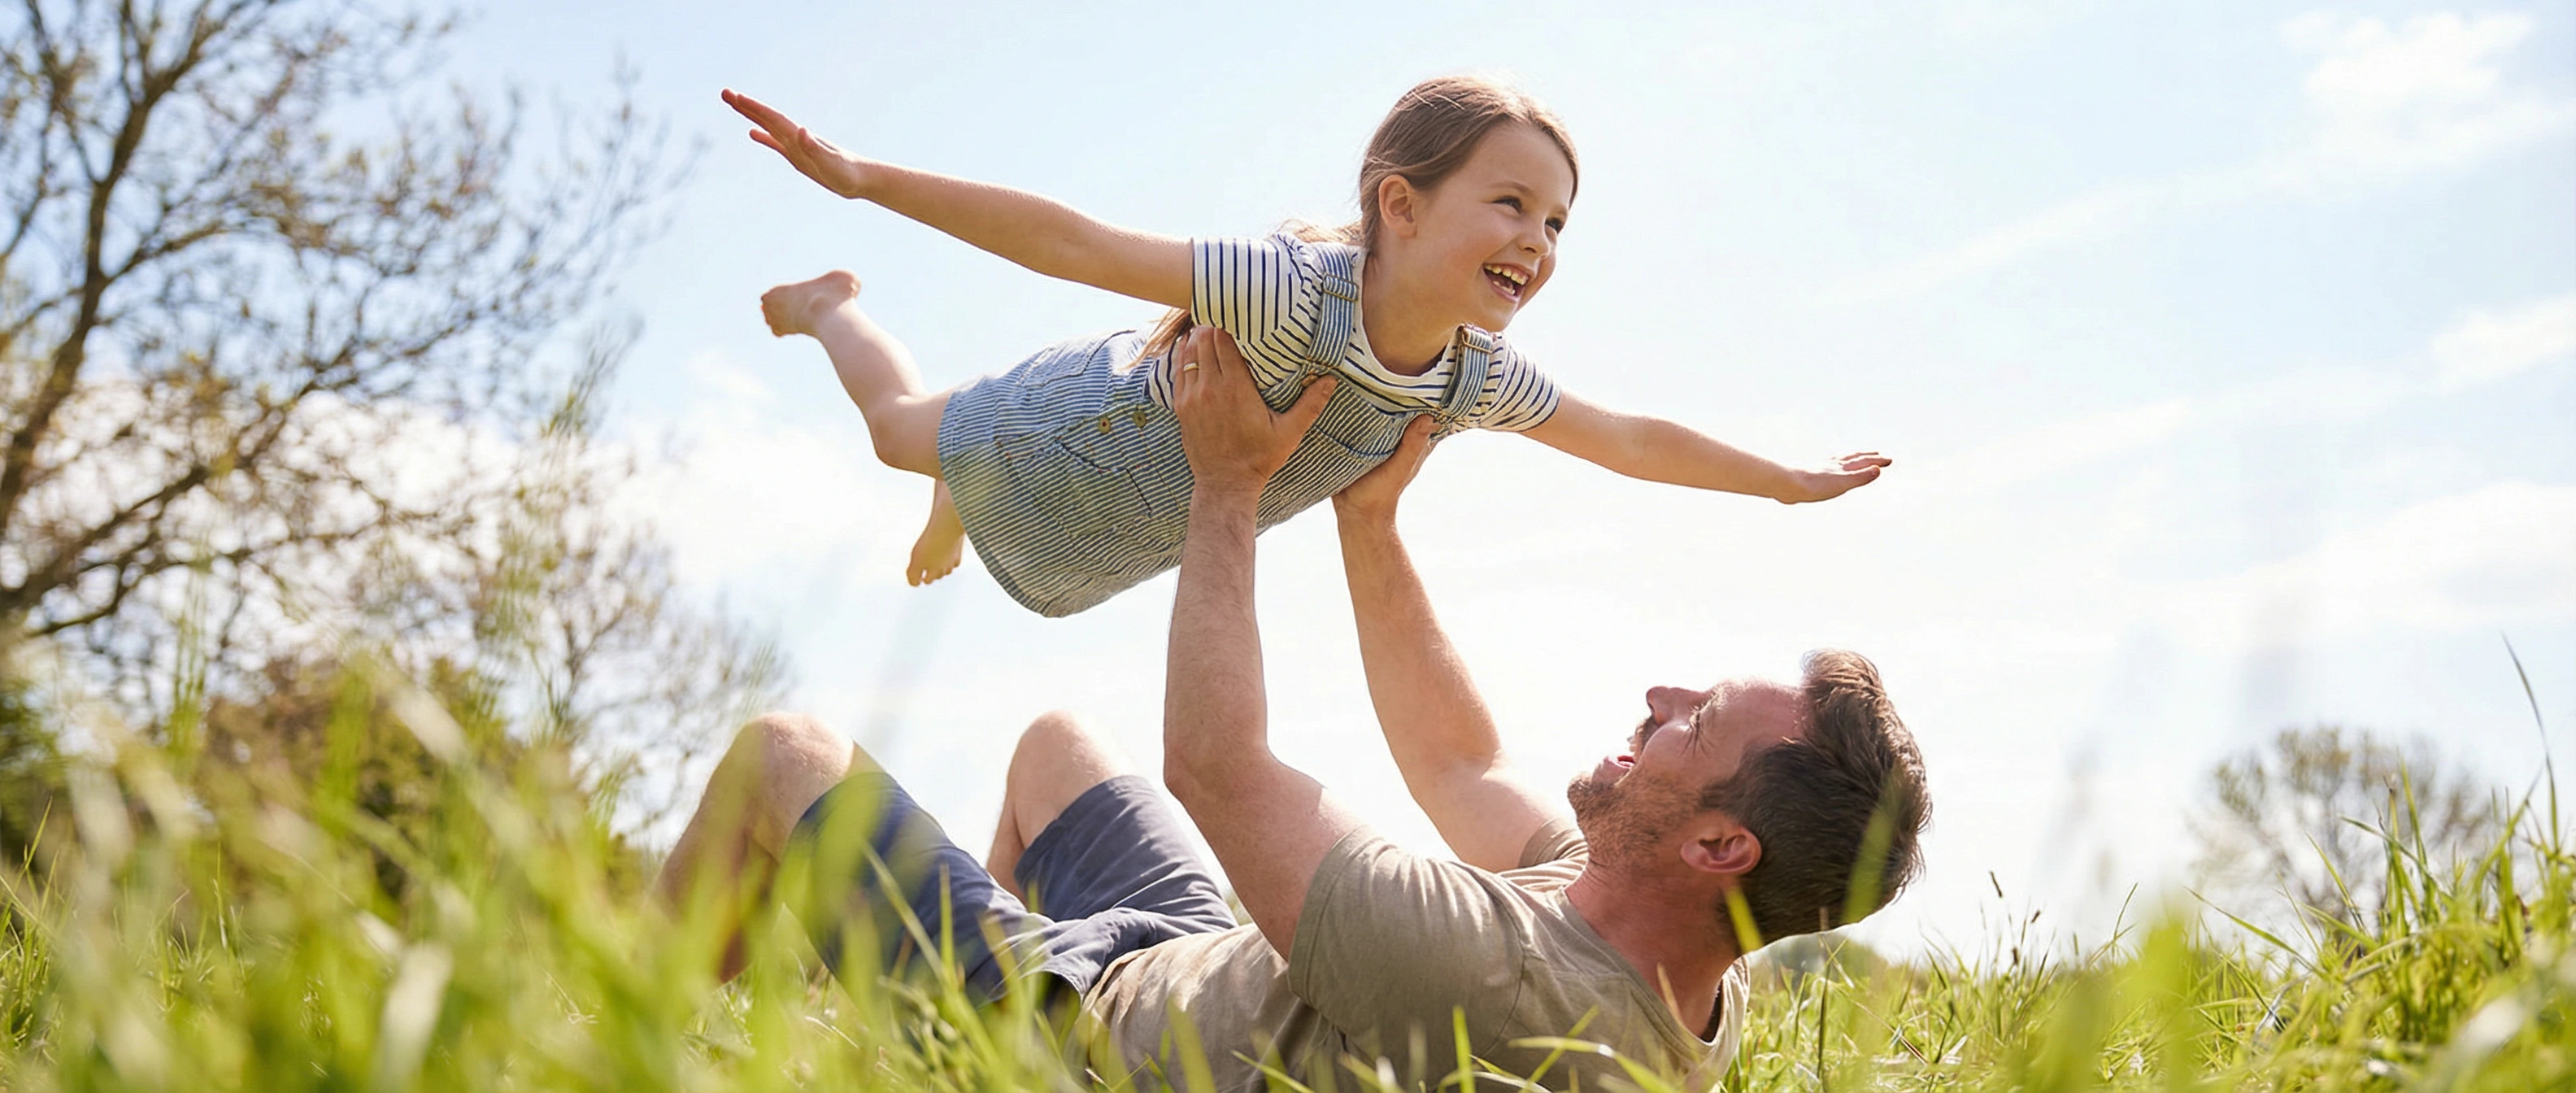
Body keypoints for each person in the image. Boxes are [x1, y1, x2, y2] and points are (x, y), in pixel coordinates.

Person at [655, 329, 1931, 1091]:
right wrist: (1370, 520)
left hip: (1090, 1040)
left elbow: (1217, 767)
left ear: (1722, 846)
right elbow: (1459, 757)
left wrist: (1228, 487)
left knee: (784, 753)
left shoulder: (1501, 988)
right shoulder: (1680, 963)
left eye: (1694, 722)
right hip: (1186, 964)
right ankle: (931, 1044)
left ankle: (587, 1041)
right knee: (1055, 746)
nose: (1658, 698)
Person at [725, 75, 1891, 616]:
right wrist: (863, 180)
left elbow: (1625, 437)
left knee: (944, 478)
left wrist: (1780, 485)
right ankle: (834, 307)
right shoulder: (1286, 290)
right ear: (1400, 205)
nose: (1535, 241)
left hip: (1114, 526)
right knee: (896, 435)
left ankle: (953, 492)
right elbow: (1072, 242)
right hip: (1066, 426)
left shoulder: (1471, 374)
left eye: (1555, 222)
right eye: (1509, 204)